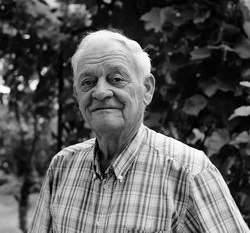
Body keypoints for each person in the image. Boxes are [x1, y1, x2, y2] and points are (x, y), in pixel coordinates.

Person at [29, 30, 250, 233]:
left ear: (147, 89)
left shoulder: (190, 172)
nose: (101, 92)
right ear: (77, 96)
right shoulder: (62, 167)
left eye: (116, 79)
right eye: (88, 82)